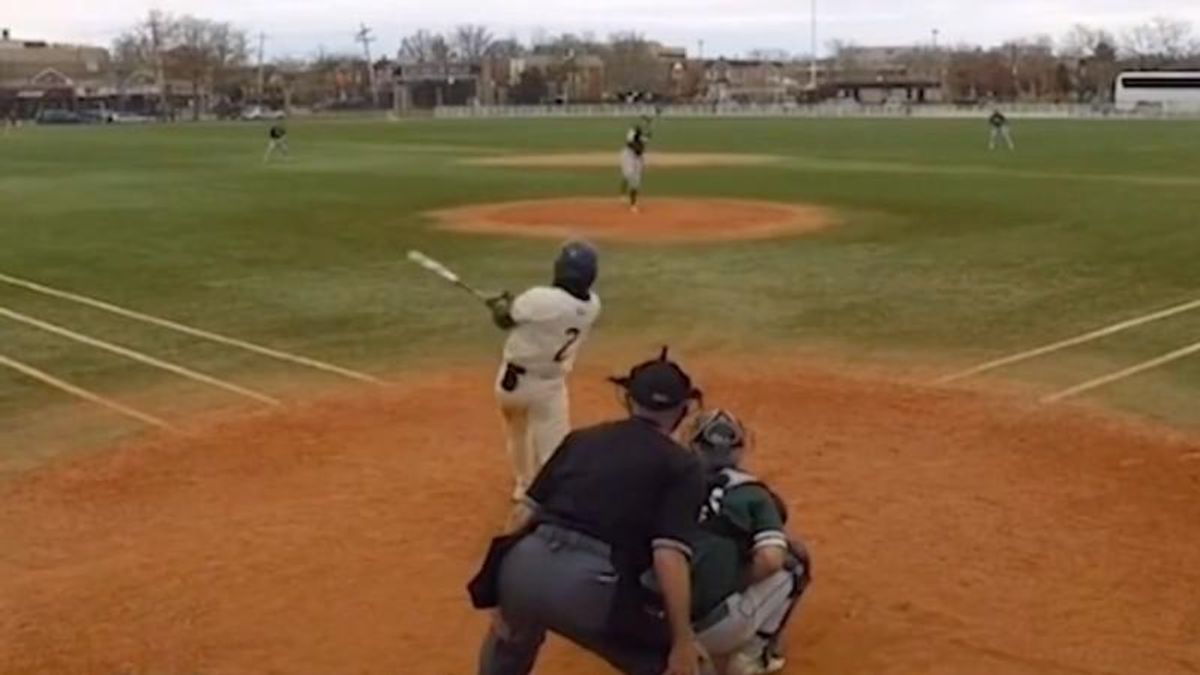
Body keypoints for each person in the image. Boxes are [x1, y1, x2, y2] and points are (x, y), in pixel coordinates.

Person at [472, 349, 710, 675]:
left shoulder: (580, 440)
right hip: (588, 586)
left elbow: (520, 516)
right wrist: (682, 641)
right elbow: (669, 556)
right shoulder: (682, 465)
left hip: (523, 566)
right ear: (683, 409)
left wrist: (497, 590)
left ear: (627, 399)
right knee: (679, 666)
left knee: (511, 639)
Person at [655, 409, 811, 675]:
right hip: (714, 628)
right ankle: (752, 657)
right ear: (739, 450)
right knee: (795, 562)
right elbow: (770, 559)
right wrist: (731, 583)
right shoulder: (753, 493)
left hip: (649, 624)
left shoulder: (663, 483)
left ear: (693, 445)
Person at [485, 241, 602, 501]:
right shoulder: (593, 305)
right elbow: (539, 312)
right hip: (550, 386)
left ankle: (523, 485)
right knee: (554, 449)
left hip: (512, 385)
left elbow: (505, 319)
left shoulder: (539, 298)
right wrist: (507, 305)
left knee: (517, 433)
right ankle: (551, 498)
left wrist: (499, 305)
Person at [620, 118, 652, 213]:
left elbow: (647, 137)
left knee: (636, 182)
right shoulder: (631, 138)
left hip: (638, 160)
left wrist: (648, 127)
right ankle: (623, 193)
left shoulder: (642, 138)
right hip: (628, 157)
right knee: (628, 175)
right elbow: (635, 147)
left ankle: (633, 204)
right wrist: (644, 137)